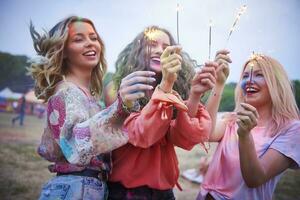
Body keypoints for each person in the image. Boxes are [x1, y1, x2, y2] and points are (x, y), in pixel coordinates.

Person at [28, 16, 155, 199]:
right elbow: (75, 149)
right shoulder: (65, 93)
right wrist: (120, 107)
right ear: (62, 50)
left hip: (92, 188)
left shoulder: (89, 96)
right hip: (75, 189)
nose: (90, 43)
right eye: (78, 39)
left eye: (93, 38)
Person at [106, 26, 228, 199]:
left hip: (164, 192)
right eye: (152, 44)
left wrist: (194, 94)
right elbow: (143, 134)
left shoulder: (172, 90)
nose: (159, 50)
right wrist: (166, 84)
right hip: (127, 191)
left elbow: (183, 139)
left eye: (165, 47)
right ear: (138, 50)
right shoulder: (117, 88)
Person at [197, 53, 300, 200]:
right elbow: (205, 133)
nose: (249, 81)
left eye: (259, 75)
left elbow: (255, 178)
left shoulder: (292, 130)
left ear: (277, 83)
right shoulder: (233, 118)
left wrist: (245, 135)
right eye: (245, 76)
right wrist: (219, 84)